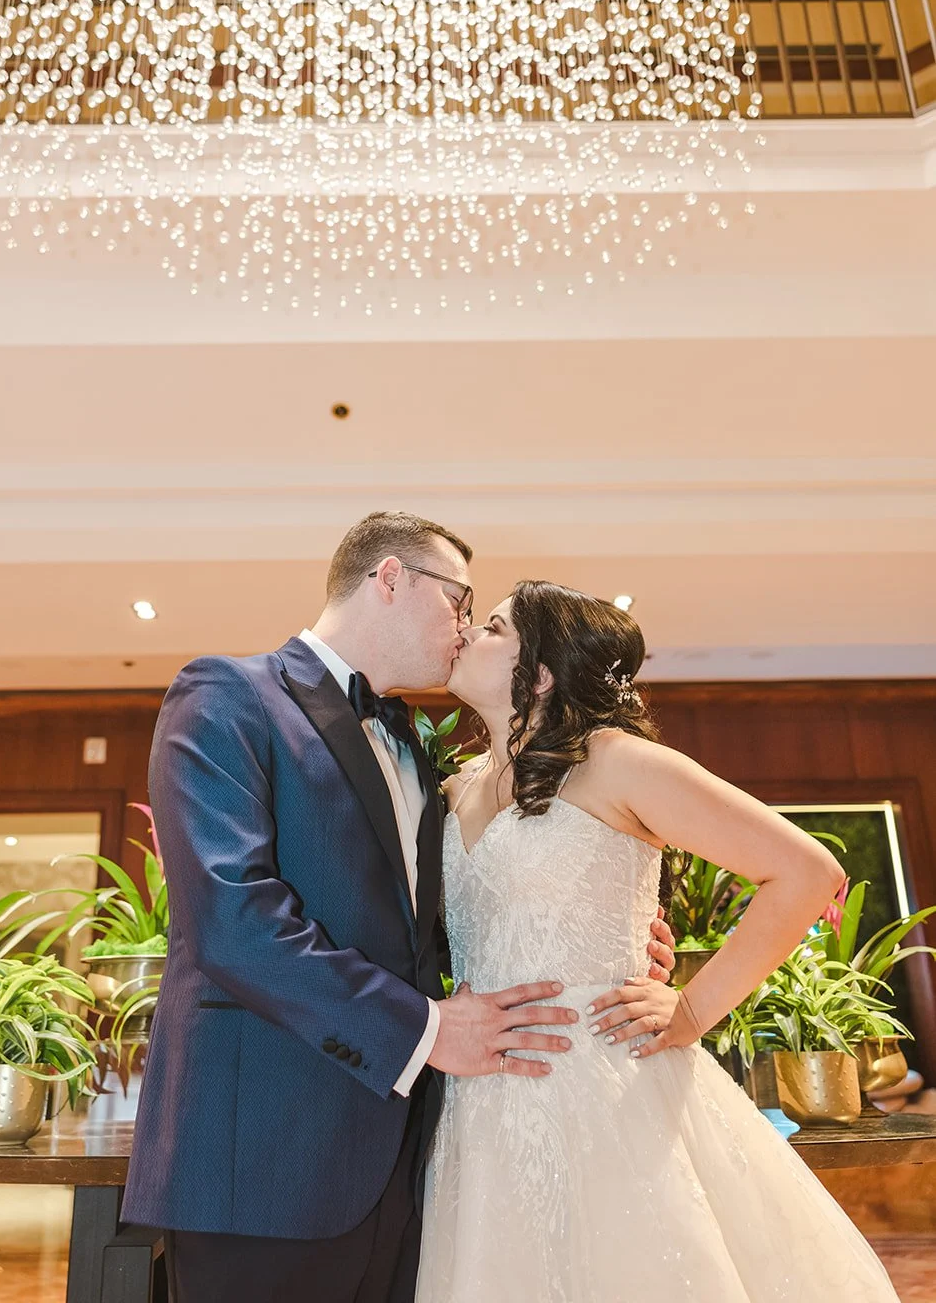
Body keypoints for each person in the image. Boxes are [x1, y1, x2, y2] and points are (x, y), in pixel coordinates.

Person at [122, 516, 675, 1303]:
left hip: (414, 1161)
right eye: (461, 602)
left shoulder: (416, 747)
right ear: (389, 578)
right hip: (264, 1164)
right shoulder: (228, 696)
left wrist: (604, 939)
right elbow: (234, 924)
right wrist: (425, 1029)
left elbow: (435, 927)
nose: (463, 627)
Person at [417, 581, 901, 1303]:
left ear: (540, 673)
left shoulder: (617, 763)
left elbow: (806, 872)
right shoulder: (455, 786)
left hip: (605, 1080)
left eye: (491, 628)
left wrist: (691, 1011)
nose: (467, 634)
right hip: (479, 1096)